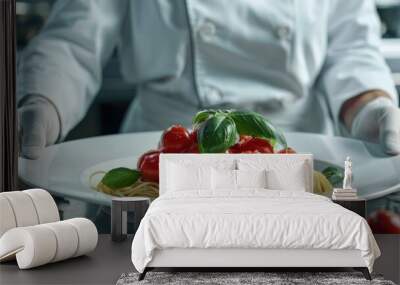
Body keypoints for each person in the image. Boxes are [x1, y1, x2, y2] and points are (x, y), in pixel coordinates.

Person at [17, 0, 400, 159]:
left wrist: (369, 104)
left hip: (295, 150)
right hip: (166, 149)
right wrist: (43, 100)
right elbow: (75, 38)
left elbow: (351, 45)